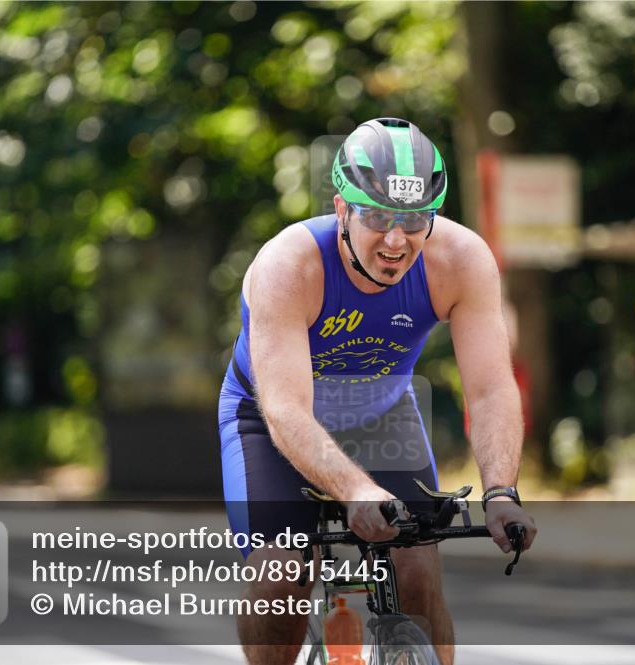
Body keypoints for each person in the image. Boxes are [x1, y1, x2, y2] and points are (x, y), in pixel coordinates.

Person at [218, 117, 537, 665]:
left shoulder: (460, 262)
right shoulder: (288, 266)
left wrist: (501, 492)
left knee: (416, 573)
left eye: (415, 219)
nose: (396, 239)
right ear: (341, 208)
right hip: (269, 420)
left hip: (381, 413)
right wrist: (355, 491)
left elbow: (489, 390)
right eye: (377, 216)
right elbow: (287, 409)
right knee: (282, 575)